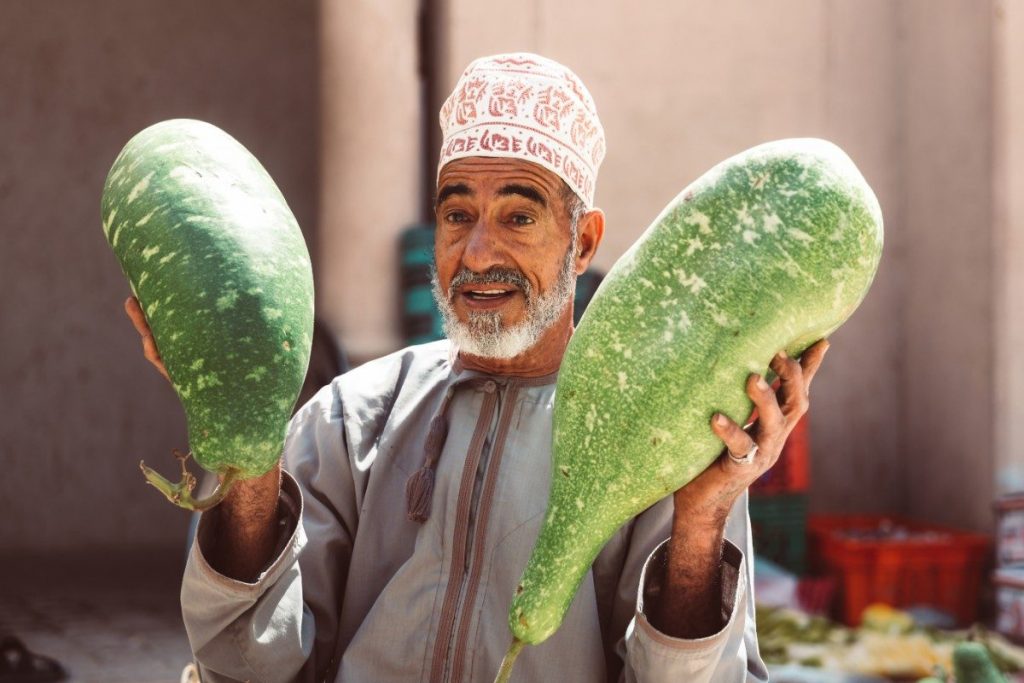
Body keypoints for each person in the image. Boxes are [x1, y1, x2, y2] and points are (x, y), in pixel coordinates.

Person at [125, 53, 828, 682]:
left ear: (583, 242)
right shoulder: (347, 419)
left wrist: (702, 516)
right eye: (458, 215)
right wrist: (244, 433)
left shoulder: (659, 444)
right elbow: (245, 665)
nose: (478, 253)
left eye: (519, 218)